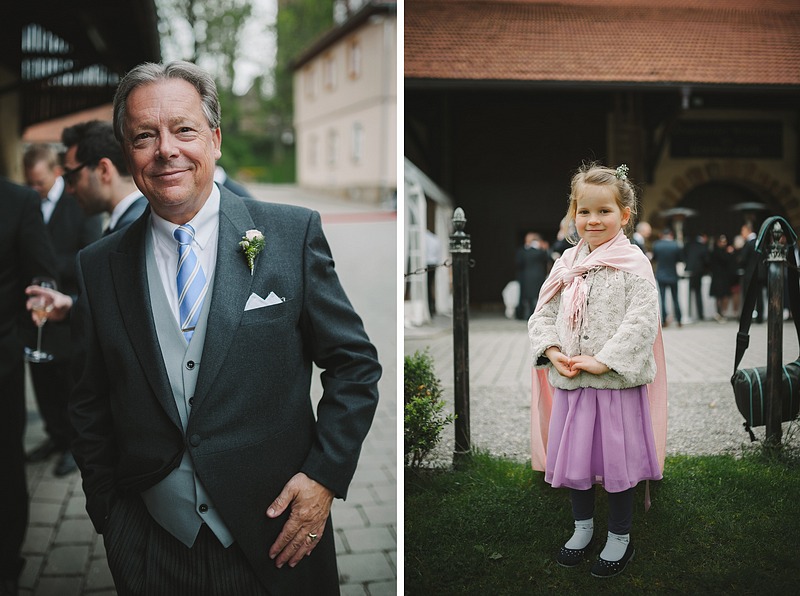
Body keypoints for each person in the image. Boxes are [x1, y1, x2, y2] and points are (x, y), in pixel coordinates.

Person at [66, 60, 381, 595]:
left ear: (214, 139)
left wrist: (325, 477)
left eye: (184, 129)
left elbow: (355, 366)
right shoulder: (98, 265)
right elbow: (88, 402)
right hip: (153, 542)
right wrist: (111, 517)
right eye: (145, 136)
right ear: (127, 153)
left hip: (277, 535)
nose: (166, 149)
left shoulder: (289, 233)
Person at [528, 162, 666, 579]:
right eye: (584, 211)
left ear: (624, 215)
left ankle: (620, 536)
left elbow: (642, 320)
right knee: (579, 460)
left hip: (613, 384)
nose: (593, 220)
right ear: (573, 213)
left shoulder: (634, 264)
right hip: (572, 382)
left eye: (604, 211)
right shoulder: (566, 263)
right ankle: (582, 528)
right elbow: (542, 313)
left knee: (617, 461)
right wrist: (552, 350)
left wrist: (603, 359)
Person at [22, 143, 103, 477]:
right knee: (42, 379)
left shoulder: (80, 203)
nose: (34, 188)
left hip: (68, 306)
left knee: (69, 382)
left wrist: (45, 265)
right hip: (34, 308)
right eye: (30, 182)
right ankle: (54, 437)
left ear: (56, 172)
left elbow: (90, 253)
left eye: (39, 181)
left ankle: (73, 445)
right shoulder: (27, 202)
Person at [0, 176, 59, 596]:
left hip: (0, 361)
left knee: (3, 465)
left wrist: (19, 336)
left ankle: (6, 562)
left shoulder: (18, 200)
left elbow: (41, 270)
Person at [61, 120, 148, 235]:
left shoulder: (133, 230)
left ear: (103, 170)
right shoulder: (136, 221)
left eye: (72, 177)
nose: (69, 189)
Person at [651, 227, 683, 327]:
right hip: (673, 274)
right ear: (671, 235)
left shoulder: (657, 245)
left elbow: (654, 259)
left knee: (663, 299)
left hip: (661, 274)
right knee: (675, 298)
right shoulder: (675, 245)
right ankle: (679, 320)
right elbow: (680, 259)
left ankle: (664, 320)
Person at [515, 232, 551, 320]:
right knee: (533, 297)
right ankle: (532, 315)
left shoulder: (526, 251)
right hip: (536, 276)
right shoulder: (540, 251)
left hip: (529, 276)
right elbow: (548, 259)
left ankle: (529, 315)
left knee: (531, 297)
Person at [737, 221, 766, 323]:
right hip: (760, 273)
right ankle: (760, 318)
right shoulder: (760, 242)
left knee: (748, 297)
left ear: (748, 230)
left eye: (743, 231)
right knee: (759, 296)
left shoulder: (748, 243)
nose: (742, 233)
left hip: (750, 274)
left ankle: (747, 318)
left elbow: (743, 259)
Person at [683, 233, 710, 322]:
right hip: (698, 272)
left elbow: (683, 256)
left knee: (687, 293)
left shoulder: (689, 245)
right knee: (698, 293)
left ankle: (687, 314)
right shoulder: (703, 247)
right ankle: (700, 314)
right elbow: (707, 260)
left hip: (689, 271)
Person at [709, 234, 736, 322]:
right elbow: (725, 260)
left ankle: (721, 313)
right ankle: (719, 313)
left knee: (722, 296)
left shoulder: (718, 251)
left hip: (722, 277)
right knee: (719, 296)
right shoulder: (718, 252)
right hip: (719, 277)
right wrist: (729, 253)